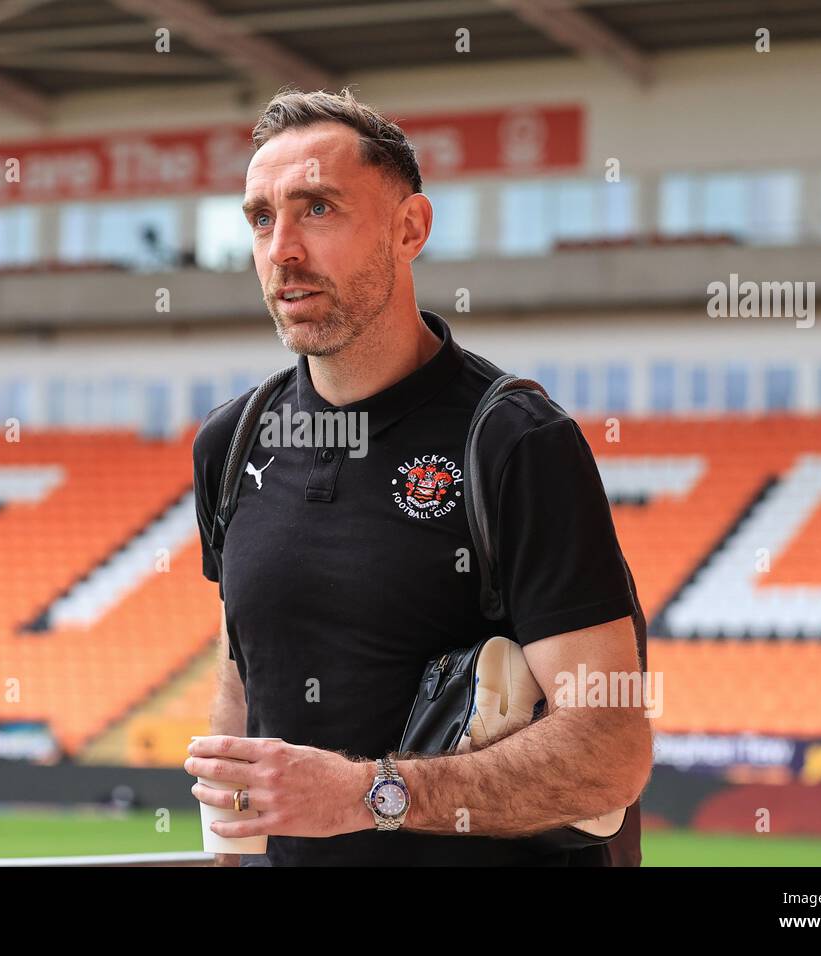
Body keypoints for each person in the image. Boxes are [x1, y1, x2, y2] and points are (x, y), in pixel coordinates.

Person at [187, 87, 651, 866]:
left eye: (319, 209)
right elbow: (243, 679)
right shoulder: (230, 445)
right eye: (262, 218)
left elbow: (611, 749)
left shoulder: (514, 442)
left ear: (410, 229)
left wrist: (369, 796)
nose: (283, 249)